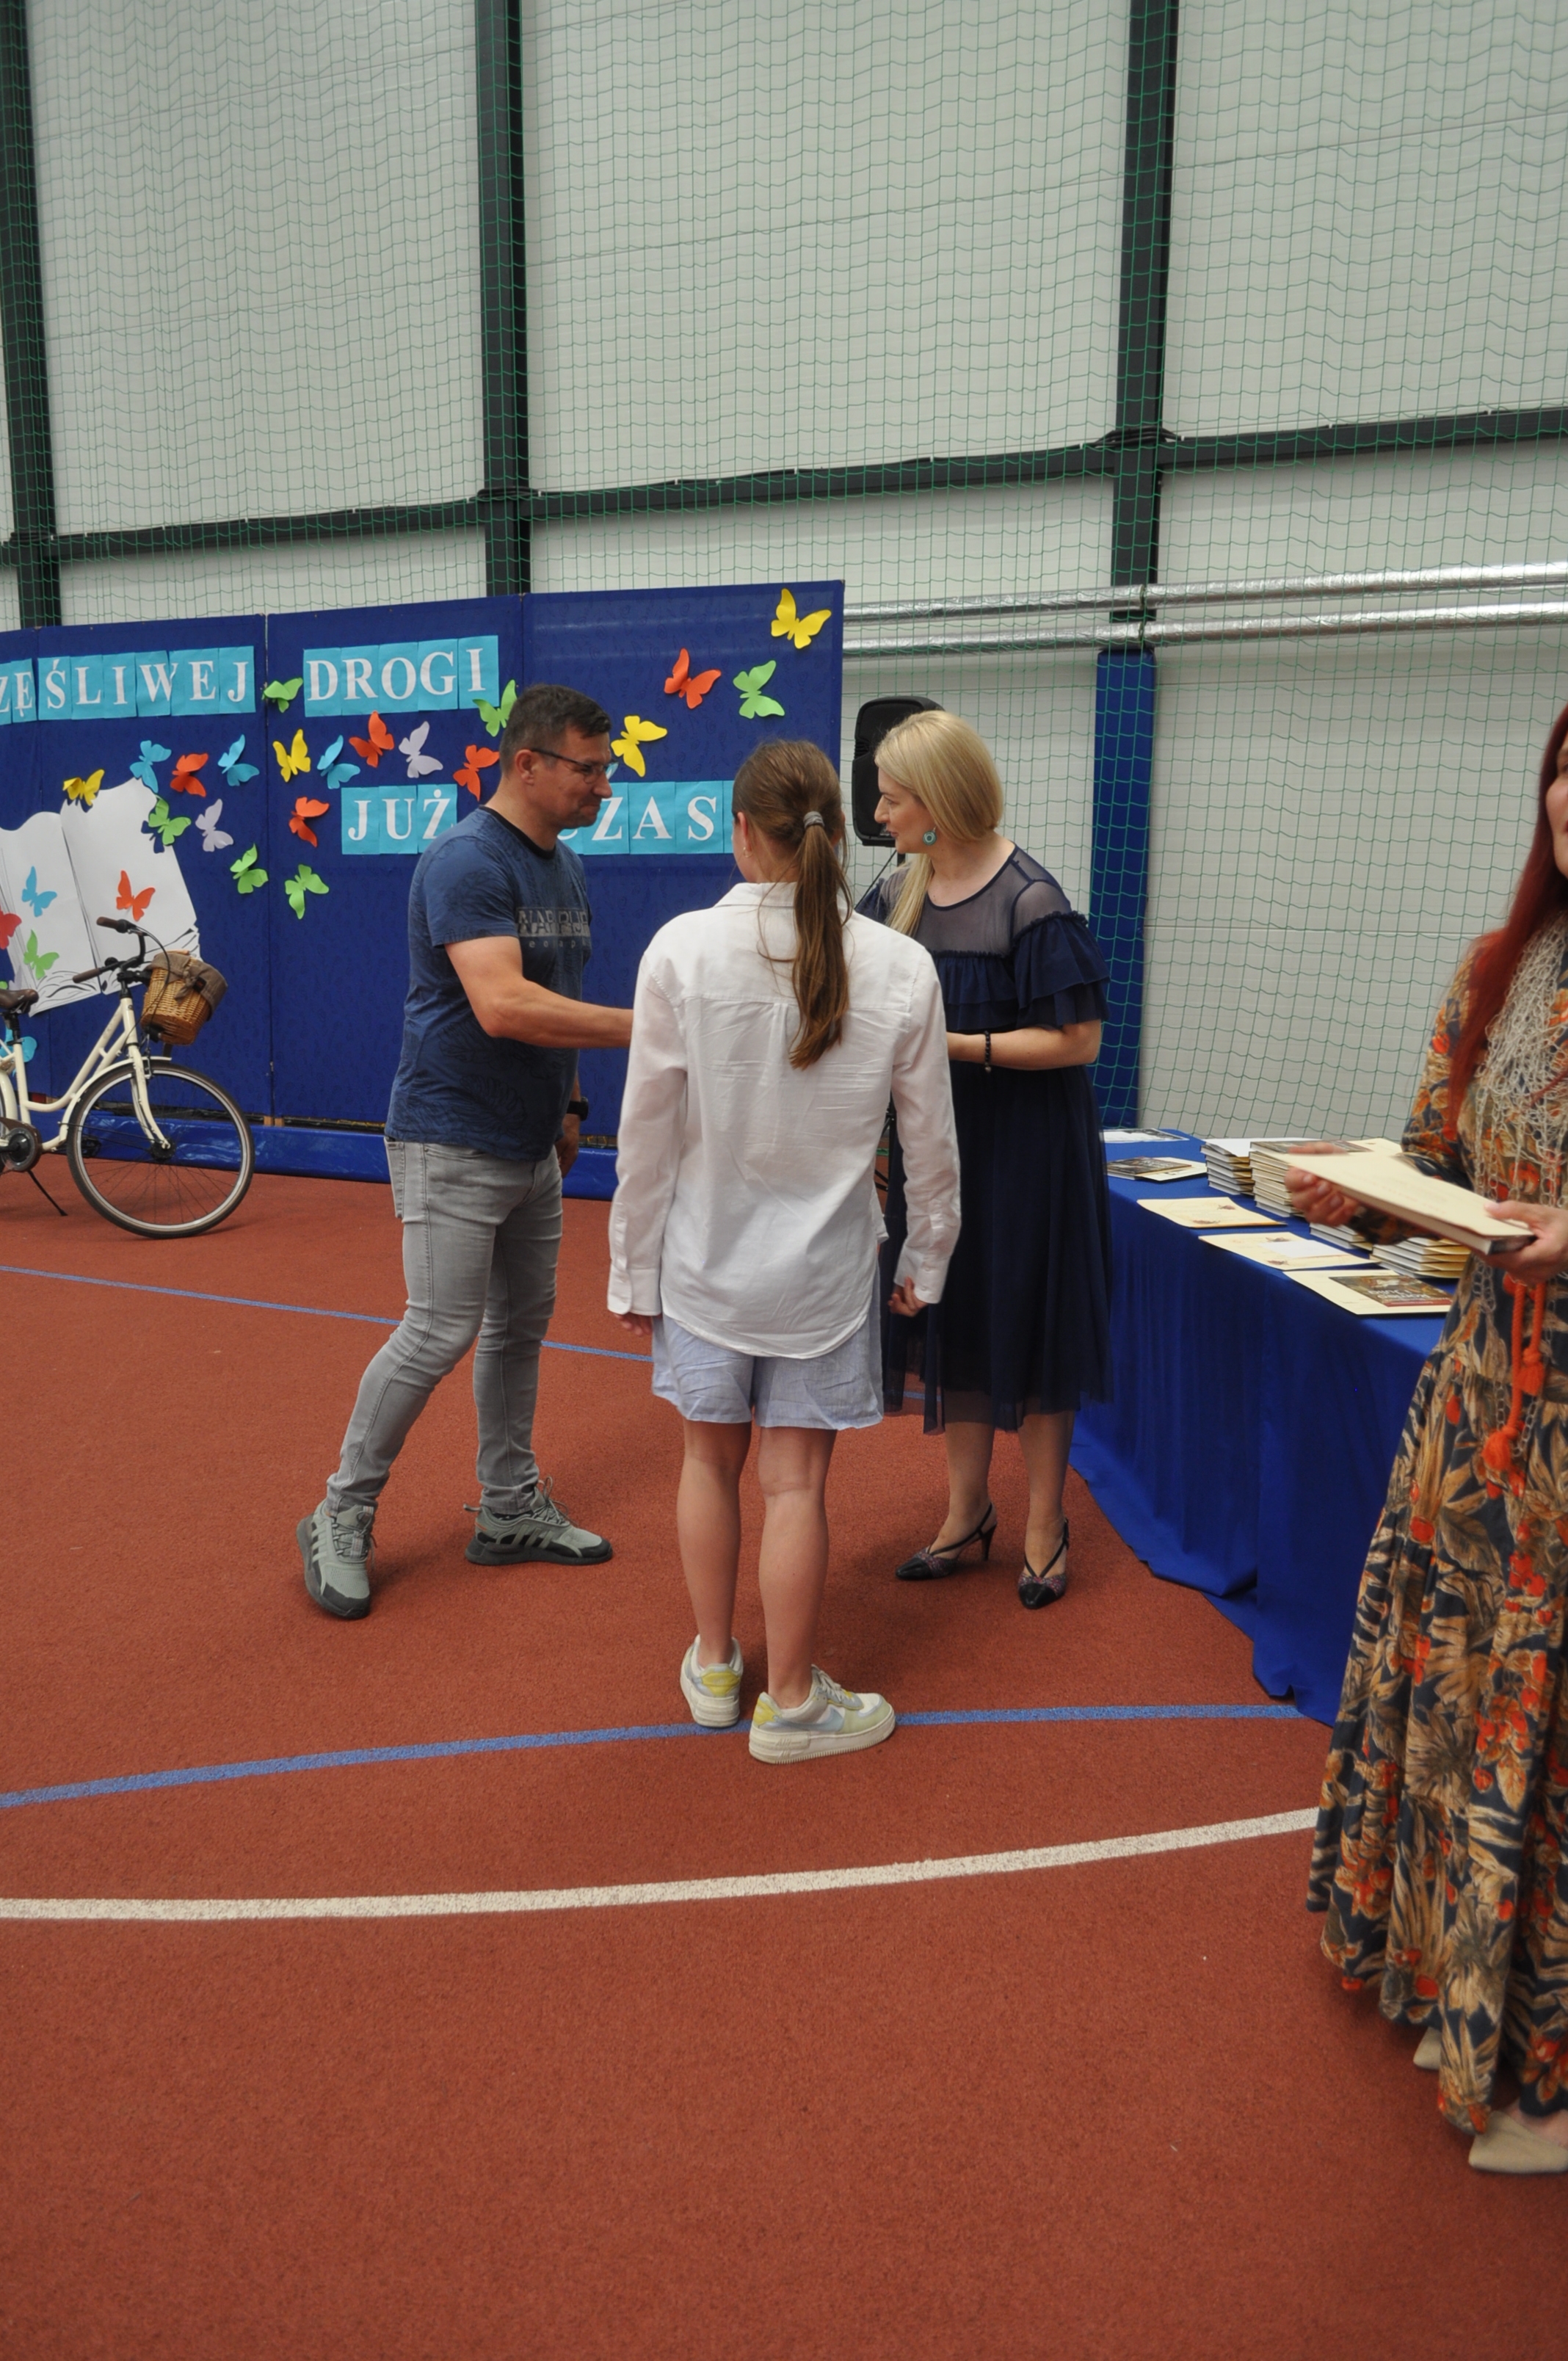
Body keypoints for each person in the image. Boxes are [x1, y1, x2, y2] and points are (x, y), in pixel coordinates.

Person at [1287, 700, 1568, 2175]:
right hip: (1479, 1399)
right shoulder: (1497, 969)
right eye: (1566, 771)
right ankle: (1449, 1981)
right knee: (1456, 1688)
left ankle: (1545, 2063)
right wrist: (1365, 1190)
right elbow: (1443, 1167)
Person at [608, 739, 961, 1762]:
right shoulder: (902, 964)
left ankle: (718, 1666)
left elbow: (644, 1136)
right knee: (795, 1485)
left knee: (707, 1461)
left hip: (703, 1266)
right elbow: (931, 1143)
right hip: (825, 1278)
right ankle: (793, 1700)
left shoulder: (679, 951)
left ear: (741, 833)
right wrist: (927, 1259)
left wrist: (632, 1267)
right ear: (838, 833)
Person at [297, 683, 634, 1619]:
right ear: (527, 763)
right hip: (451, 1137)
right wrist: (656, 1025)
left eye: (605, 769)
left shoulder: (565, 867)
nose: (604, 787)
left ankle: (509, 1506)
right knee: (438, 1329)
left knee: (520, 1328)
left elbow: (558, 994)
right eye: (589, 769)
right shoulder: (466, 861)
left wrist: (572, 1103)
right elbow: (503, 1003)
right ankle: (340, 1510)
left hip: (531, 1143)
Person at [860, 708, 1111, 1607]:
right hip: (935, 1148)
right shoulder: (893, 893)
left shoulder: (1030, 900)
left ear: (938, 802)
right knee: (953, 1317)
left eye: (892, 799)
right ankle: (967, 1514)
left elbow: (1078, 1040)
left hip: (1028, 1151)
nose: (878, 815)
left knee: (1034, 1326)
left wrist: (952, 1047)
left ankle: (1045, 1522)